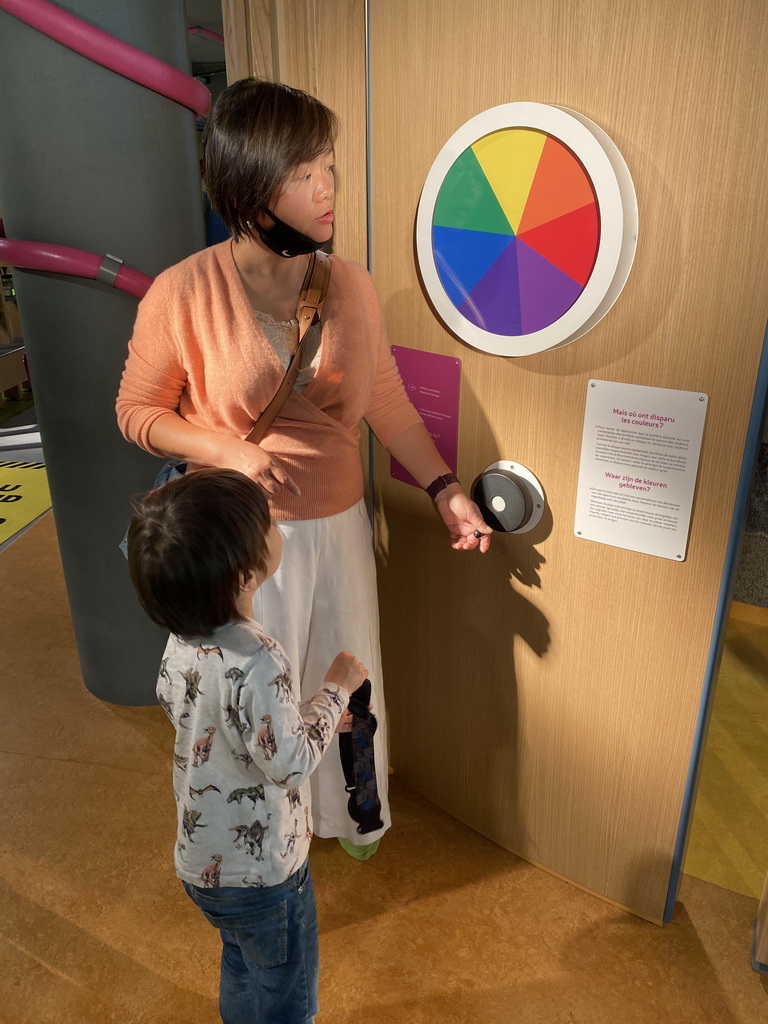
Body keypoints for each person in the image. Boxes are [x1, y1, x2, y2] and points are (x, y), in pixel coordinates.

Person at [116, 77, 491, 860]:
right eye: (303, 174)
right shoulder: (181, 292)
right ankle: (263, 850)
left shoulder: (347, 283)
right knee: (258, 704)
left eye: (330, 168)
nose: (327, 191)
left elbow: (383, 396)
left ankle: (350, 815)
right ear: (249, 186)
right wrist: (229, 451)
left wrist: (445, 488)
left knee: (347, 676)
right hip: (246, 538)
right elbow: (138, 413)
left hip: (341, 522)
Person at [127, 467, 366, 1024]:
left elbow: (209, 719)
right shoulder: (260, 657)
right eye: (268, 525)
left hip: (201, 866)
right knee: (287, 992)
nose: (275, 528)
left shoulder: (180, 639)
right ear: (244, 576)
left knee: (240, 962)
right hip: (265, 877)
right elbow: (290, 764)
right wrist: (336, 690)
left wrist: (311, 717)